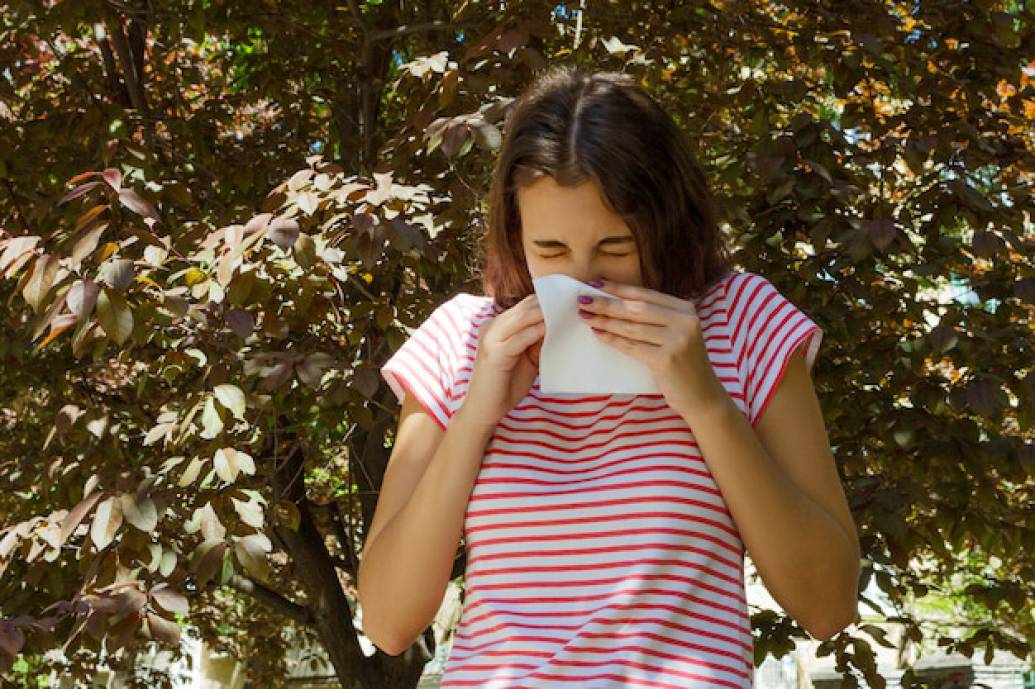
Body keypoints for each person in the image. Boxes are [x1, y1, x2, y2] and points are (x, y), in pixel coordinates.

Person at [358, 64, 860, 688]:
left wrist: (706, 405)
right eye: (551, 251)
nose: (584, 280)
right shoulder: (465, 341)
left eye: (616, 248)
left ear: (669, 223)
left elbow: (830, 605)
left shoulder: (745, 320)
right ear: (514, 234)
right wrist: (475, 417)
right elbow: (385, 622)